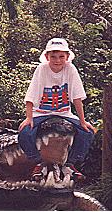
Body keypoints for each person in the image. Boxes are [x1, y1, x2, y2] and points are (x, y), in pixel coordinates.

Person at [18, 38, 96, 182]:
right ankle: (38, 163)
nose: (57, 60)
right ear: (47, 57)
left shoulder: (70, 69)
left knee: (88, 132)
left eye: (61, 56)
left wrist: (83, 121)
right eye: (53, 56)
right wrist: (29, 118)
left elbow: (77, 97)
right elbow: (31, 96)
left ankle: (70, 164)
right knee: (24, 133)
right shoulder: (41, 69)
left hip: (64, 112)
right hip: (40, 112)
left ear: (67, 57)